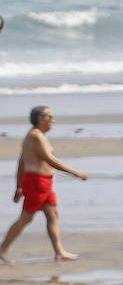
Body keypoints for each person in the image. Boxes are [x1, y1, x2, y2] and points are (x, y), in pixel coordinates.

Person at [0, 106, 88, 265]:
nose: (52, 120)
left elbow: (21, 162)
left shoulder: (33, 135)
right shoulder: (35, 136)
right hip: (36, 182)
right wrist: (74, 172)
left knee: (52, 215)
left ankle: (59, 252)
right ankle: (2, 250)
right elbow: (49, 159)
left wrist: (18, 185)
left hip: (43, 183)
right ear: (41, 119)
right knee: (26, 218)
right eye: (50, 116)